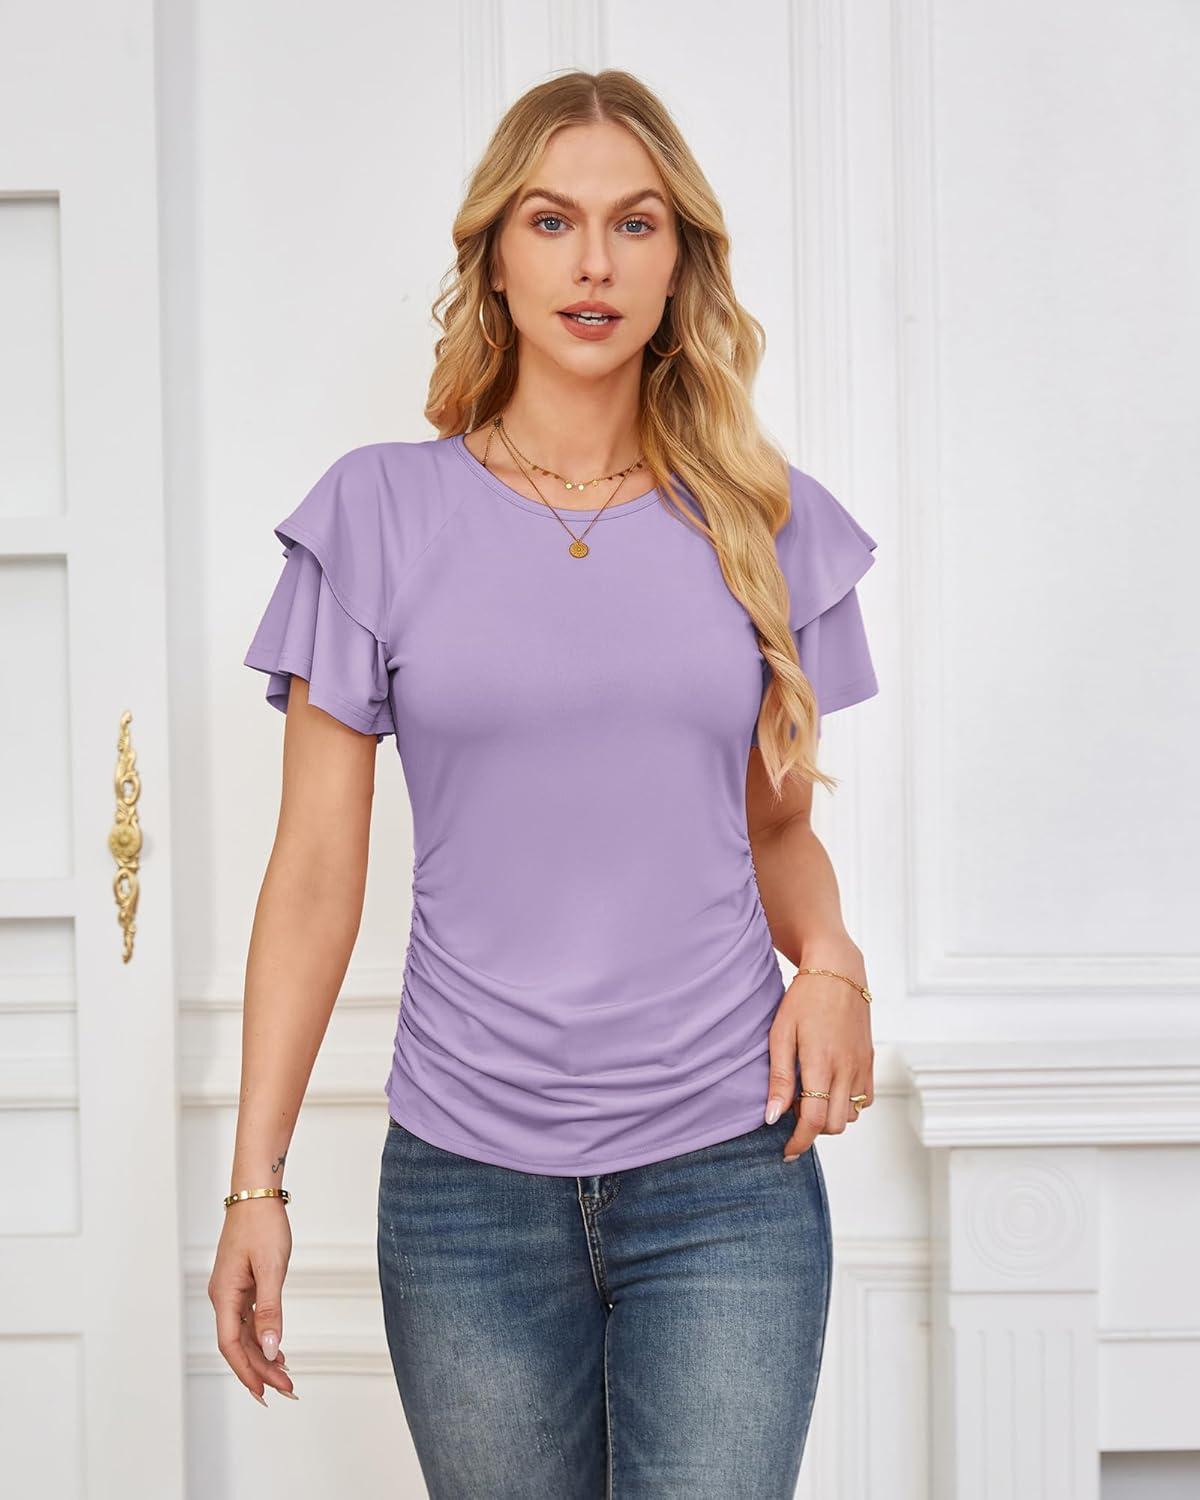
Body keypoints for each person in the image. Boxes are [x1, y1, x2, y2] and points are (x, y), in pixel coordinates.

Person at [211, 67, 880, 1499]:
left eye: (636, 224)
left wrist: (832, 960)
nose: (594, 264)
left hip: (726, 1178)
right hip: (465, 1196)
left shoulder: (763, 524)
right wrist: (256, 1178)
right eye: (552, 221)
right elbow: (315, 875)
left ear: (680, 263)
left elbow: (778, 831)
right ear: (495, 260)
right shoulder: (377, 516)